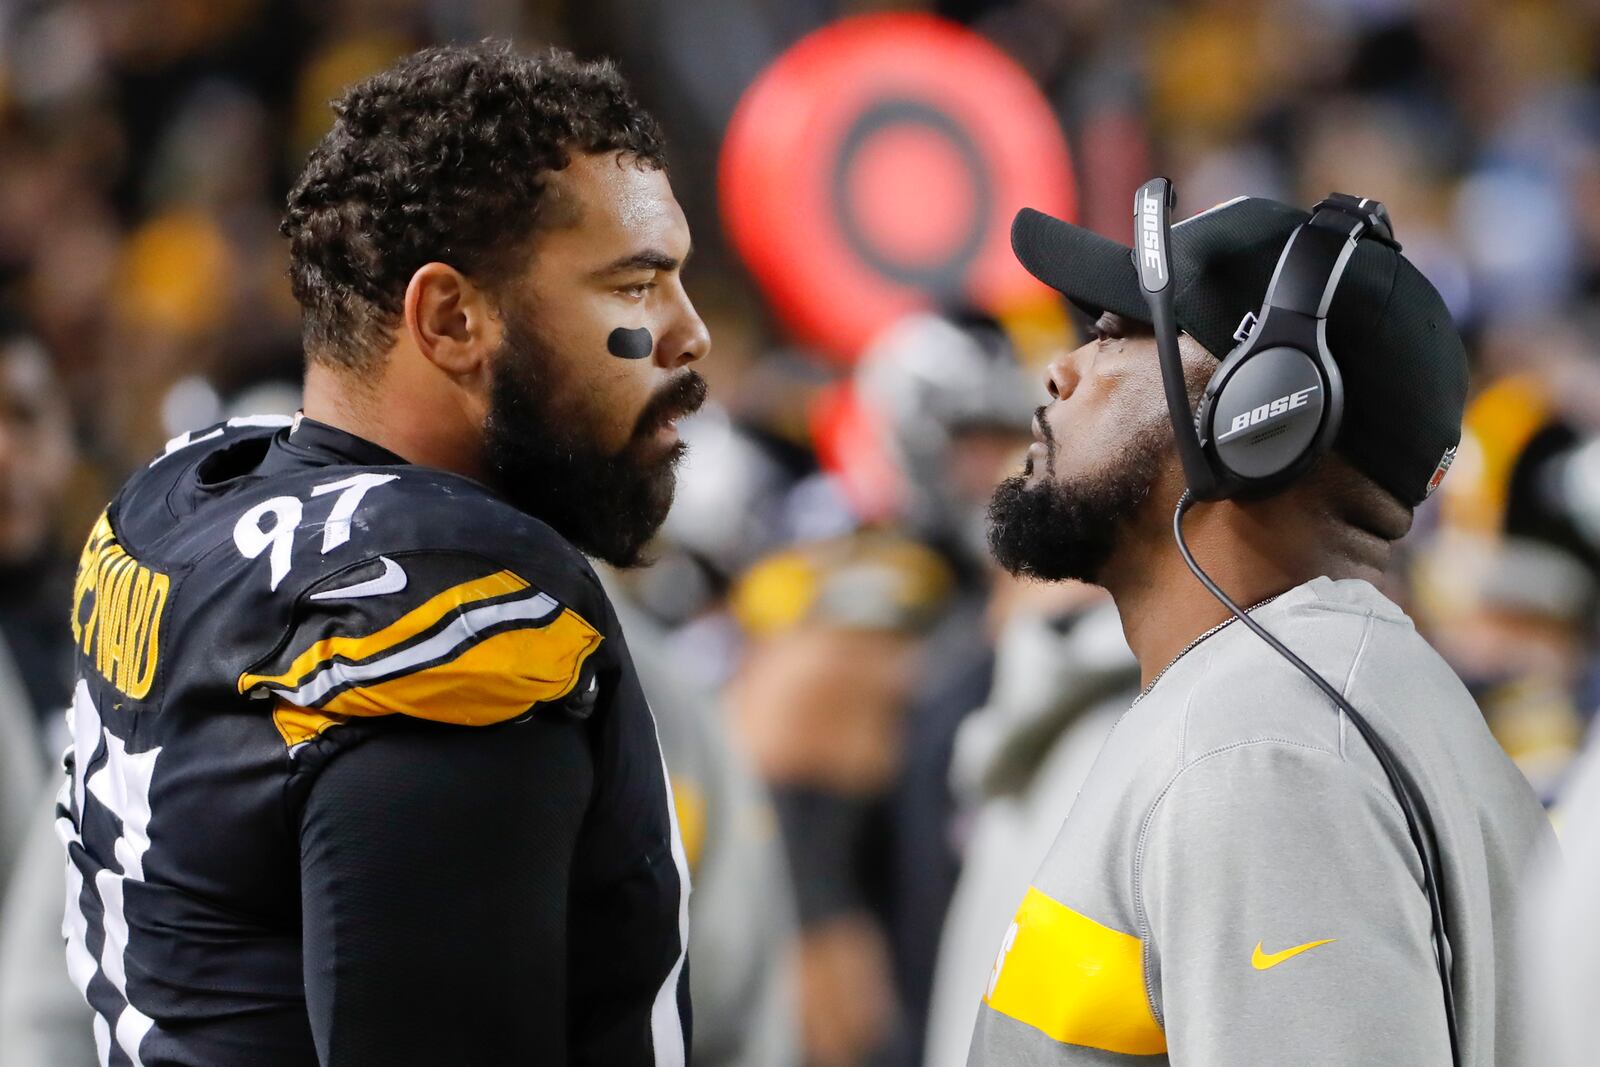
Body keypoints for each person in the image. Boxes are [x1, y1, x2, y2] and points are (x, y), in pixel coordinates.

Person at [57, 42, 708, 1066]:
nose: (689, 334)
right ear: (451, 318)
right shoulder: (442, 586)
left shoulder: (186, 492)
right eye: (636, 288)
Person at [968, 193, 1552, 1065]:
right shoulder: (1314, 704)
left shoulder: (1261, 749)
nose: (1063, 370)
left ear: (1265, 406)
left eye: (1119, 331)